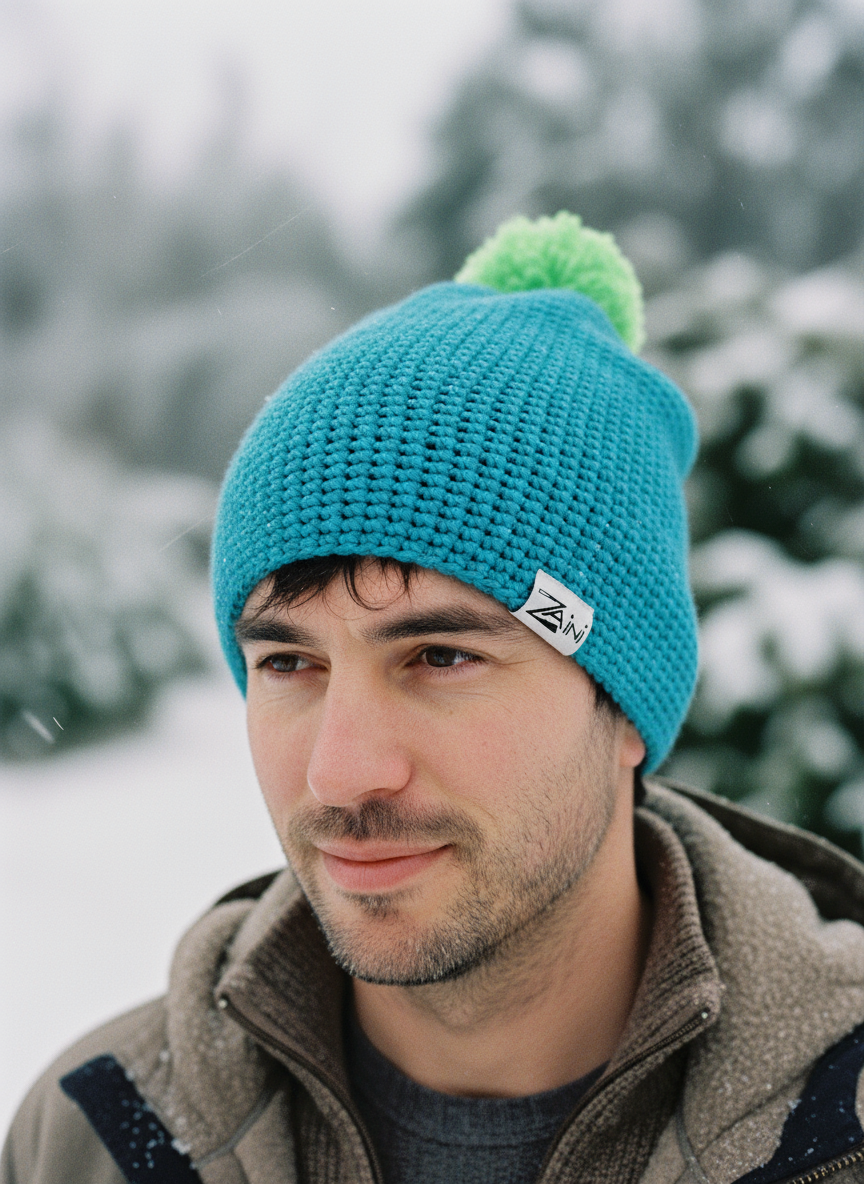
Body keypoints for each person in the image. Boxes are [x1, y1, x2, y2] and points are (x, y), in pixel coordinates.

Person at [5, 212, 864, 1184]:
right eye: (289, 662)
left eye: (441, 655)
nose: (341, 769)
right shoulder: (88, 1138)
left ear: (623, 704)